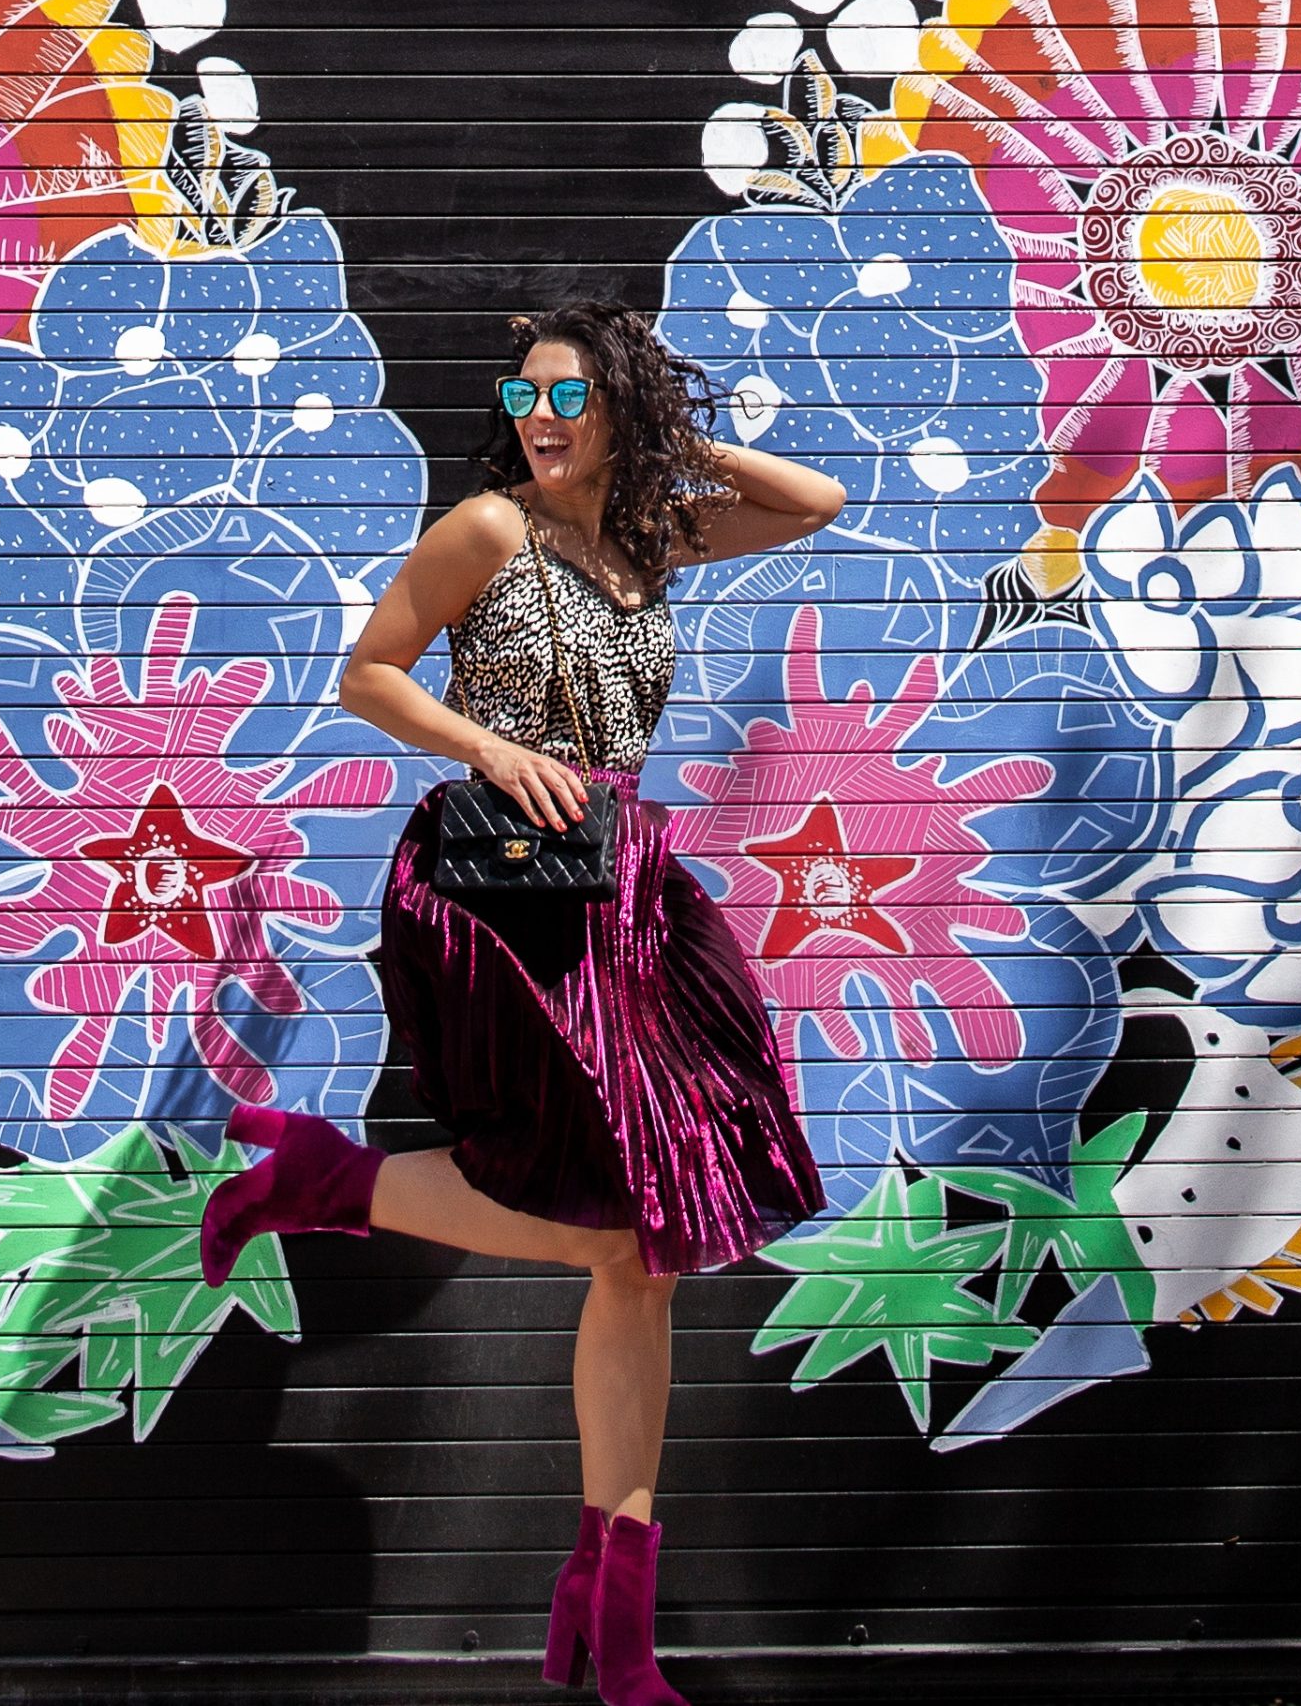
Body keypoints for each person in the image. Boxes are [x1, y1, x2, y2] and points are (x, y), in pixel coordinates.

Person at [199, 301, 842, 1706]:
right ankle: (340, 1184)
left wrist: (670, 436)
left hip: (617, 883)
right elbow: (369, 670)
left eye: (571, 397)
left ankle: (609, 1620)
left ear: (621, 408)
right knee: (618, 1222)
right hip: (498, 884)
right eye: (525, 394)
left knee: (639, 1251)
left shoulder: (645, 540)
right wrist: (491, 742)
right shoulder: (486, 529)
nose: (540, 419)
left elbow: (817, 499)